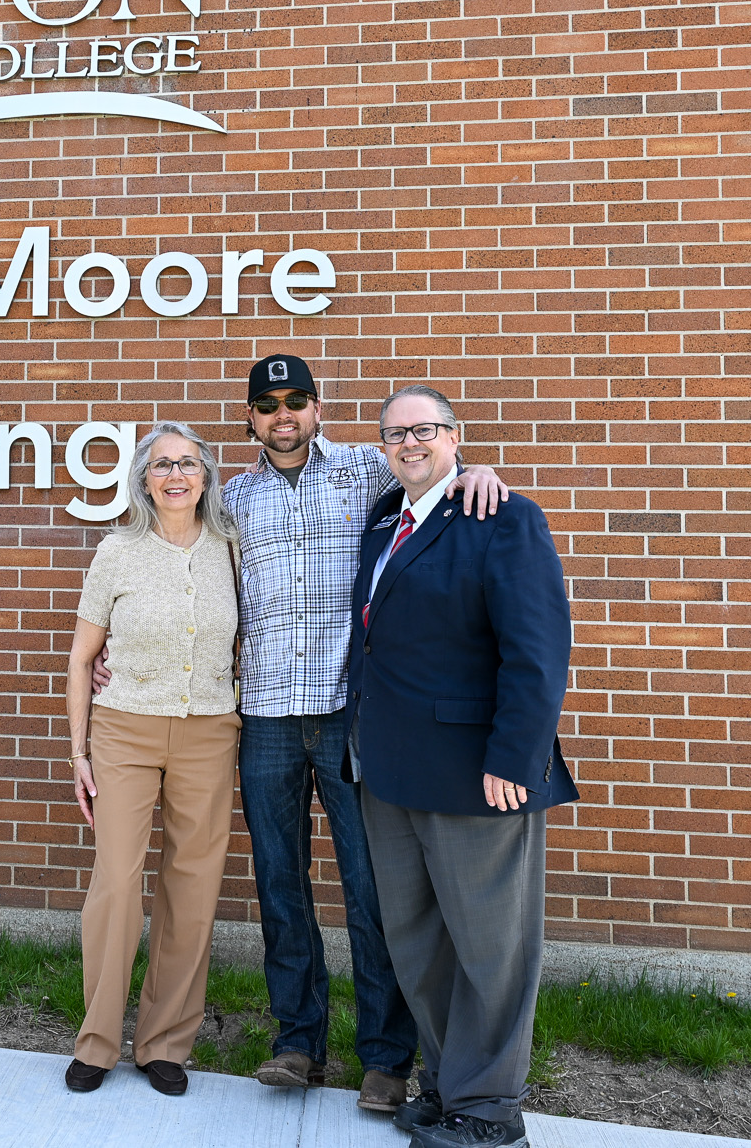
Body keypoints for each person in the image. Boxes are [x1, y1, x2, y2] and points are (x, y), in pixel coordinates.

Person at [215, 354, 506, 1109]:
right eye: (268, 404)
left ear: (318, 407)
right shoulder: (233, 497)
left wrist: (474, 472)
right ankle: (296, 1040)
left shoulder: (364, 471)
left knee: (371, 889)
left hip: (352, 713)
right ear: (250, 417)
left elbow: (429, 480)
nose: (284, 415)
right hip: (268, 715)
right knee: (281, 884)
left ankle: (385, 1056)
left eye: (297, 400)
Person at [346, 385, 577, 1148]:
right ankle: (448, 1084)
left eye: (425, 429)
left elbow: (537, 653)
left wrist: (517, 755)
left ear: (456, 437)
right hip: (391, 773)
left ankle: (491, 1110)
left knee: (490, 948)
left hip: (480, 774)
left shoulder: (505, 516)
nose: (409, 443)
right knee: (419, 941)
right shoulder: (385, 523)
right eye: (395, 433)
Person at [61, 422, 241, 1098]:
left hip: (209, 731)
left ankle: (164, 1042)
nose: (175, 475)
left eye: (187, 464)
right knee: (116, 880)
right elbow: (81, 659)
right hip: (125, 731)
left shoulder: (231, 546)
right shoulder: (117, 549)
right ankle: (98, 1039)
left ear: (205, 476)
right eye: (161, 464)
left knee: (192, 886)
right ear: (143, 478)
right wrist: (78, 750)